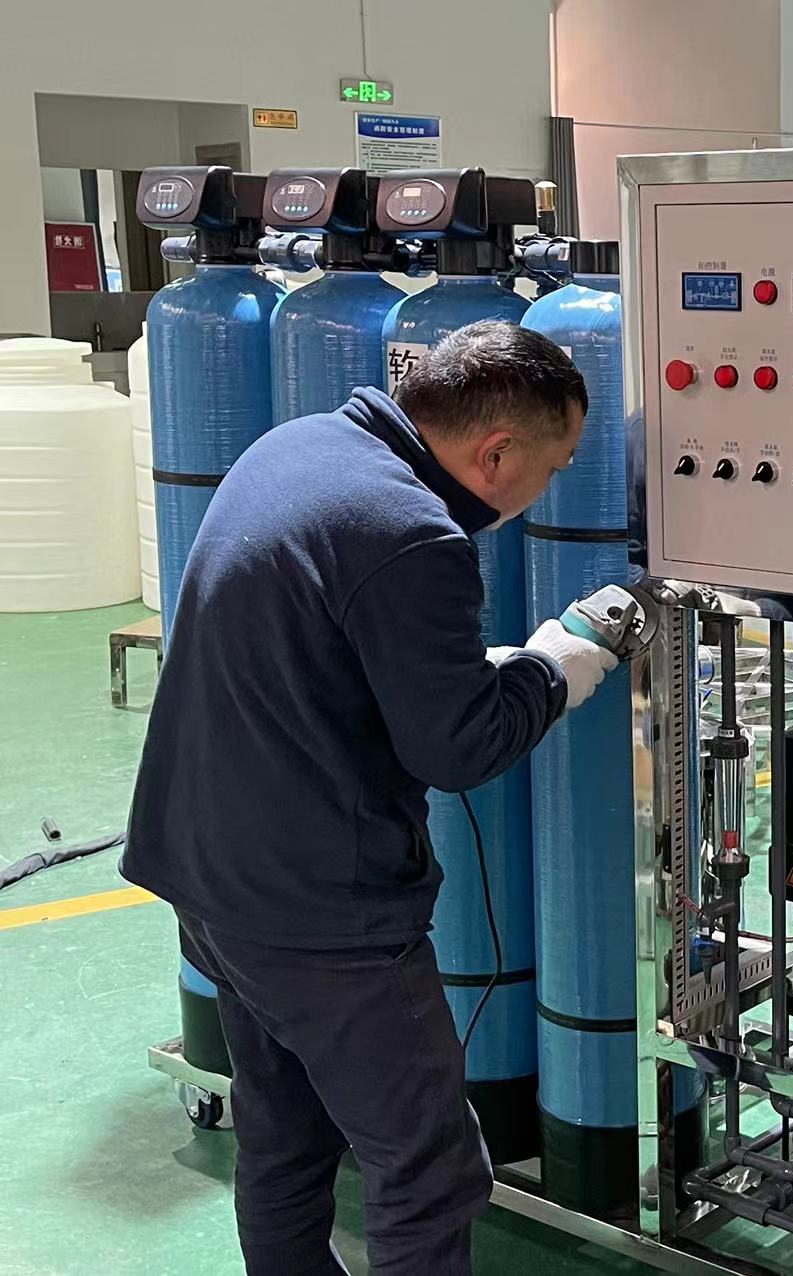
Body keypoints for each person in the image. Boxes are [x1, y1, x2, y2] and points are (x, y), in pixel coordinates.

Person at [121, 320, 619, 1275]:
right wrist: (557, 666)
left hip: (207, 870)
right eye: (551, 469)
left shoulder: (299, 447)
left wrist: (459, 670)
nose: (548, 491)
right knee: (429, 1168)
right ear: (496, 454)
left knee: (286, 1131)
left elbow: (322, 651)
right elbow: (457, 748)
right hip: (318, 916)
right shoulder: (412, 534)